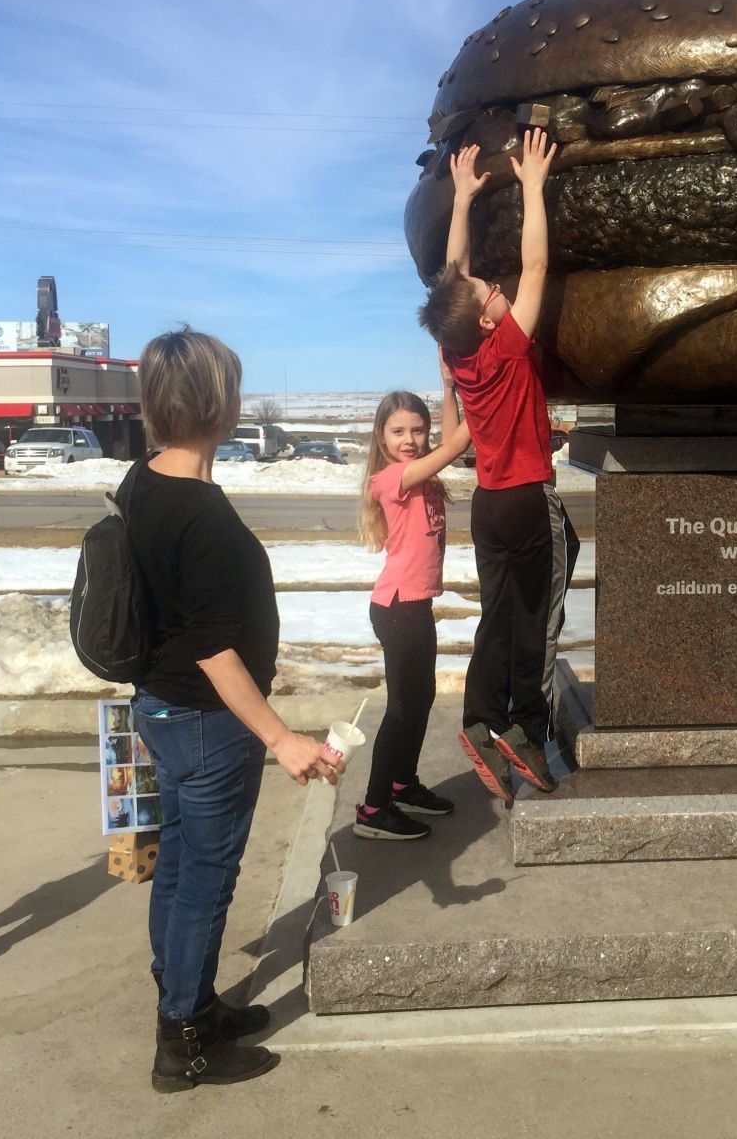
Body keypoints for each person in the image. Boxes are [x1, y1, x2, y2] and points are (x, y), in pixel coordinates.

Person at [126, 326, 341, 1093]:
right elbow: (217, 651)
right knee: (207, 879)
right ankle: (182, 1041)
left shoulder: (141, 482)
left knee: (180, 863)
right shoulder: (202, 516)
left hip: (159, 708)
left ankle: (187, 997)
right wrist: (281, 738)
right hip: (207, 720)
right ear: (220, 405)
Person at [417, 129, 579, 799]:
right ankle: (528, 732)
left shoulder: (459, 355)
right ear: (488, 321)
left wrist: (461, 201)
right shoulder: (508, 345)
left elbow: (452, 278)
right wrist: (535, 186)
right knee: (538, 617)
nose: (496, 286)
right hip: (525, 497)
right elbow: (535, 268)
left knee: (499, 612)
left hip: (488, 504)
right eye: (491, 290)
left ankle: (482, 719)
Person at [353, 379, 472, 840]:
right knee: (402, 708)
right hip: (397, 607)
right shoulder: (391, 479)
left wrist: (447, 396)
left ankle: (402, 784)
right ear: (381, 436)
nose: (409, 440)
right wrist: (450, 382)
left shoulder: (423, 475)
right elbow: (458, 441)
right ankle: (373, 808)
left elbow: (450, 439)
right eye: (398, 431)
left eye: (418, 431)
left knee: (419, 700)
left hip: (415, 606)